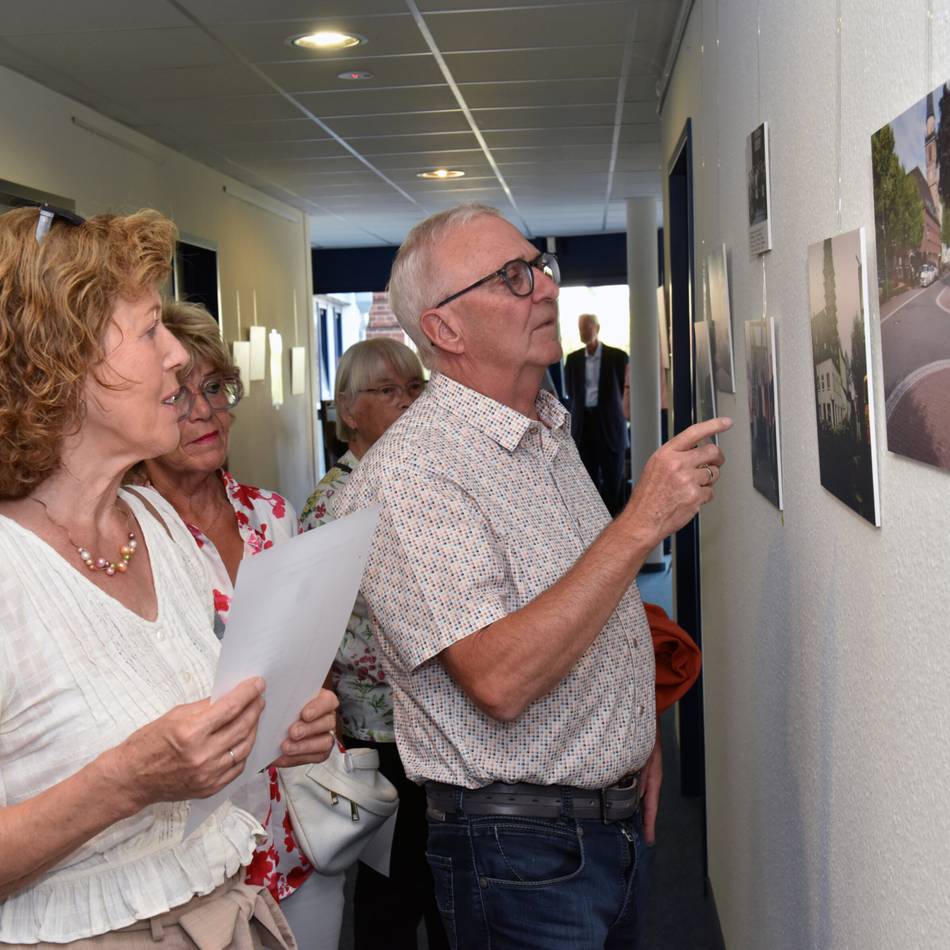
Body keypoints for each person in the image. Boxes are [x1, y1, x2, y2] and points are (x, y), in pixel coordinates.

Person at [337, 203, 730, 950]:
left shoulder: (543, 428)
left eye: (540, 268)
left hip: (601, 828)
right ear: (446, 329)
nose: (545, 290)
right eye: (513, 277)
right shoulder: (413, 475)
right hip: (519, 856)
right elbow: (501, 677)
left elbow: (589, 602)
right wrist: (640, 522)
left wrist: (634, 737)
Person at [0, 205, 336, 948]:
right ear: (65, 357)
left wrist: (270, 730)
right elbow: (139, 768)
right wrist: (124, 780)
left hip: (225, 915)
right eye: (150, 331)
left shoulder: (155, 527)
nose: (179, 360)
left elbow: (188, 733)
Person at [138, 301, 344, 949]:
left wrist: (317, 706)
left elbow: (303, 652)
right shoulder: (124, 536)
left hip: (292, 820)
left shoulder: (270, 513)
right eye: (176, 395)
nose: (203, 411)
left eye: (214, 388)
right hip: (188, 837)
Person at [300, 338, 447, 950]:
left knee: (447, 891)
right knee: (392, 899)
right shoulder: (332, 505)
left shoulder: (425, 484)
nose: (408, 401)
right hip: (379, 731)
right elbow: (323, 635)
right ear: (349, 410)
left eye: (416, 387)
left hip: (443, 723)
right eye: (388, 391)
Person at [564, 312, 629, 515]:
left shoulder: (617, 357)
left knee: (613, 480)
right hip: (584, 425)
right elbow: (572, 393)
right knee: (586, 479)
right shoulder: (573, 359)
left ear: (597, 329)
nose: (583, 332)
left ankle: (615, 526)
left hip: (609, 424)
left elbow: (624, 389)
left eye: (587, 327)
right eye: (580, 328)